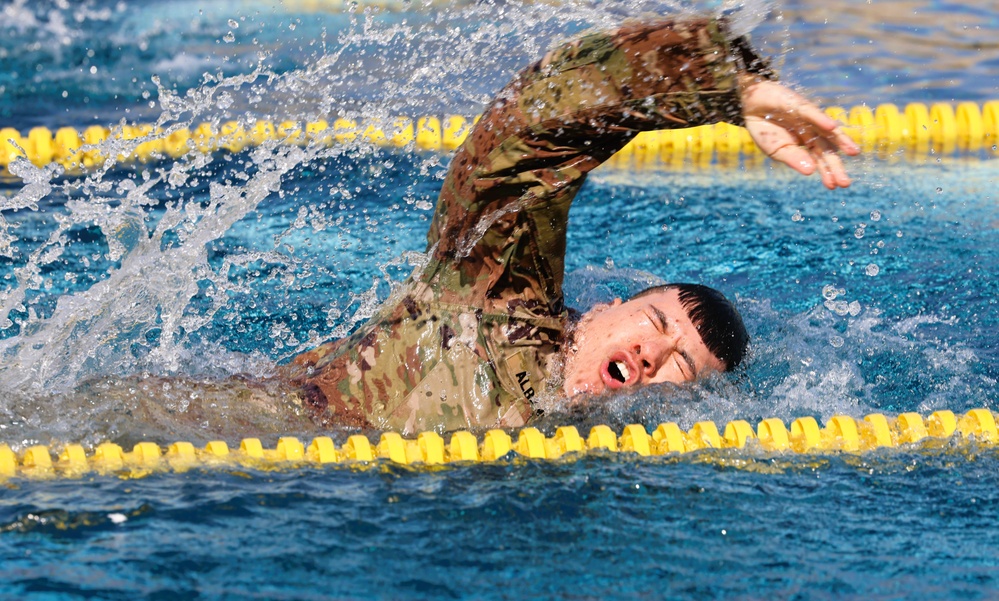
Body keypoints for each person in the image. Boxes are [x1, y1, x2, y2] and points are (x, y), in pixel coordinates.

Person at [285, 16, 859, 434]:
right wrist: (730, 86)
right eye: (653, 321)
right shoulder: (496, 304)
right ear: (604, 309)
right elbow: (528, 129)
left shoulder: (584, 449)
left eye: (681, 365)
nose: (651, 352)